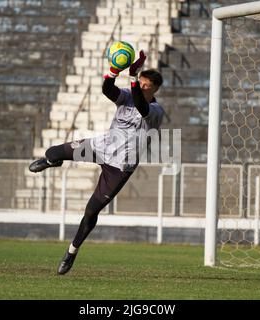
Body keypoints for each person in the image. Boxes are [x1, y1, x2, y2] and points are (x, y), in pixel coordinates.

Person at [29, 50, 165, 275]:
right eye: (140, 83)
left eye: (146, 85)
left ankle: (71, 251)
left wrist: (133, 78)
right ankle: (53, 161)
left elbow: (142, 107)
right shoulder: (128, 95)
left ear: (155, 89)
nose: (141, 87)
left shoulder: (157, 111)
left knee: (91, 211)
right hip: (103, 146)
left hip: (120, 166)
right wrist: (114, 71)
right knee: (53, 151)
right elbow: (108, 90)